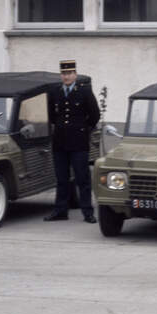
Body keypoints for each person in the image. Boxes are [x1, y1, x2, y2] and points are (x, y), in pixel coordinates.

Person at [45, 59, 100, 223]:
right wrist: (62, 127)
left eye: (69, 73)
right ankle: (60, 210)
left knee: (82, 178)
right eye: (64, 74)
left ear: (75, 74)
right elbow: (51, 115)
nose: (66, 76)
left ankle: (87, 212)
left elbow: (95, 115)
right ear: (61, 75)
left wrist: (83, 129)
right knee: (61, 179)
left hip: (78, 142)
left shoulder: (84, 91)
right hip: (60, 141)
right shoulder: (54, 92)